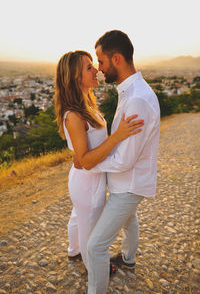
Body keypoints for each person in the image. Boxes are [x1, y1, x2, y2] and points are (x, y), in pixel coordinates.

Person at [54, 50, 144, 270]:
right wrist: (118, 136)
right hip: (87, 182)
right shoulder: (73, 115)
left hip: (90, 177)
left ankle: (73, 251)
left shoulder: (87, 105)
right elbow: (85, 160)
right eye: (89, 68)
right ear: (75, 78)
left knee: (78, 216)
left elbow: (84, 154)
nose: (96, 70)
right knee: (89, 228)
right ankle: (94, 267)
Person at [86, 30, 160, 294]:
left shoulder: (137, 98)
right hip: (126, 181)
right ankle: (128, 259)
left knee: (95, 246)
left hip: (128, 185)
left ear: (116, 59)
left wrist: (89, 163)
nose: (98, 68)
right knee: (130, 222)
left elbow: (125, 160)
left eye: (101, 61)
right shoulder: (131, 90)